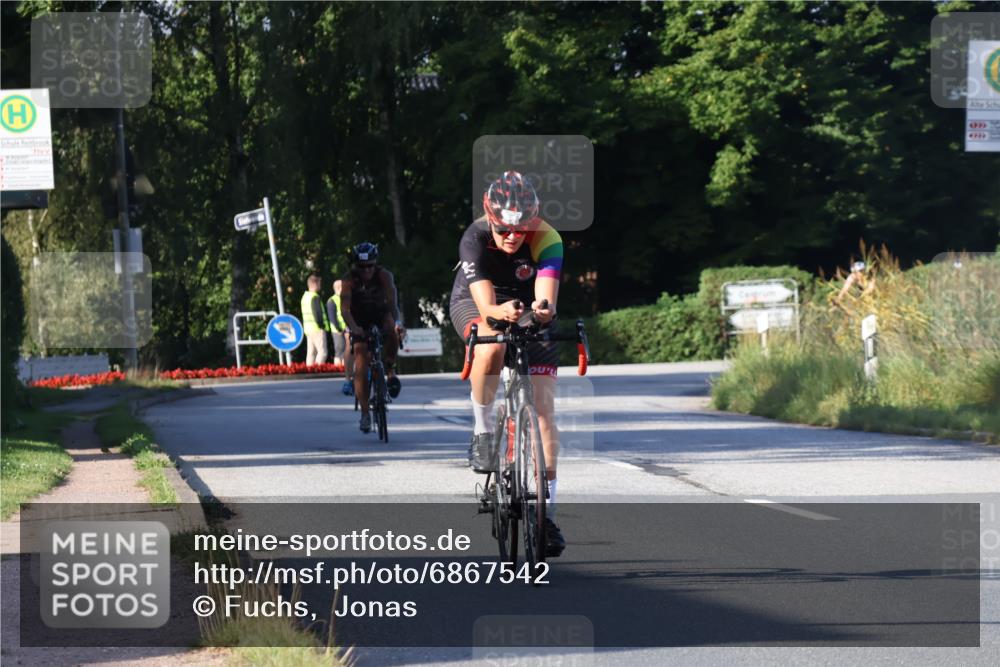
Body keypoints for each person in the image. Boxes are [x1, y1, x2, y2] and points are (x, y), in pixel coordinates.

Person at [449, 170, 566, 557]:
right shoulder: (475, 237)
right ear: (490, 218)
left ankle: (543, 510)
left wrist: (542, 311)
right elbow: (487, 306)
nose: (514, 236)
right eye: (504, 229)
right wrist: (499, 312)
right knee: (491, 348)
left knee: (544, 411)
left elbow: (546, 297)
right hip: (478, 298)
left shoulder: (547, 237)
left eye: (522, 229)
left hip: (525, 303)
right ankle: (483, 432)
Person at [340, 242, 406, 433]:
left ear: (375, 263)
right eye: (362, 267)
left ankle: (391, 369)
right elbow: (345, 310)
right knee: (360, 361)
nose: (367, 270)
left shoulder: (384, 276)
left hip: (380, 314)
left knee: (392, 331)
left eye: (370, 265)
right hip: (359, 318)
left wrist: (398, 322)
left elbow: (393, 303)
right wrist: (354, 328)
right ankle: (365, 414)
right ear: (356, 266)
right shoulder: (349, 280)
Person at [326, 279, 354, 395]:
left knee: (348, 349)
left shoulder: (345, 297)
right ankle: (338, 369)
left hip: (347, 328)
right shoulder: (332, 300)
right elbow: (332, 317)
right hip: (338, 330)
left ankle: (347, 371)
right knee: (340, 351)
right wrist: (338, 329)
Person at [300, 274, 328, 366]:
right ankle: (318, 369)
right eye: (319, 283)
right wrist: (321, 325)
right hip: (317, 328)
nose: (320, 285)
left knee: (311, 352)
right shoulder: (315, 297)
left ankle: (309, 370)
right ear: (315, 284)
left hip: (308, 329)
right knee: (322, 352)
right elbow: (317, 313)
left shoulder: (305, 297)